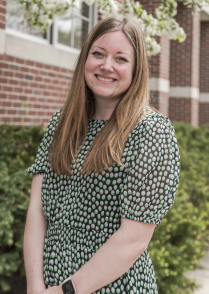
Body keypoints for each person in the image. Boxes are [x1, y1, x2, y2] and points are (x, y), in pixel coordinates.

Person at [24, 16, 180, 294]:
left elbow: (133, 239)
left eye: (120, 59)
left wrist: (65, 291)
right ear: (85, 59)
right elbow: (37, 212)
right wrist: (36, 286)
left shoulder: (151, 131)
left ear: (136, 69)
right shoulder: (61, 124)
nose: (106, 66)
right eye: (98, 54)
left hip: (115, 288)